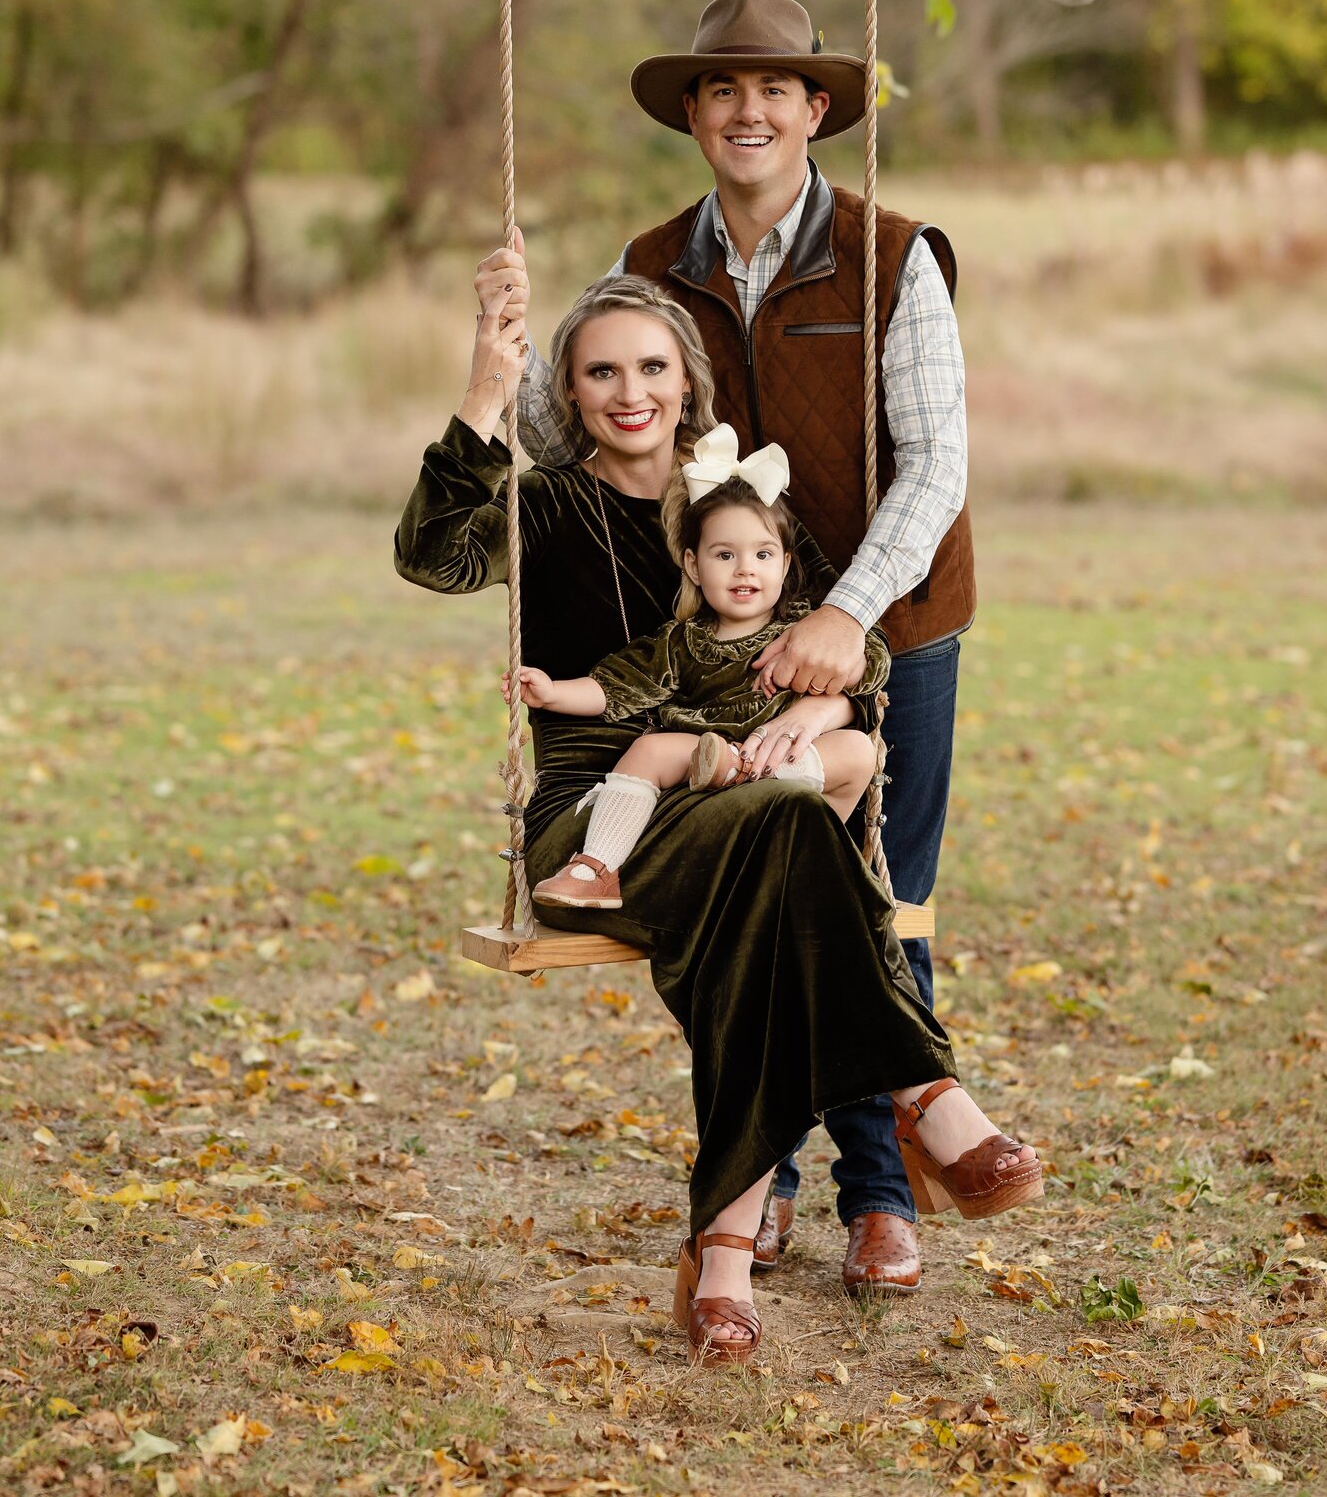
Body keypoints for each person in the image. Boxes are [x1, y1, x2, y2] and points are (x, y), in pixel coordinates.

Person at [395, 272, 1038, 1365]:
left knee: (764, 885)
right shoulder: (548, 500)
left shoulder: (740, 507)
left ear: (686, 379)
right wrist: (485, 390)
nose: (629, 391)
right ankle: (923, 1091)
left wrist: (812, 716)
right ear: (572, 387)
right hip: (601, 814)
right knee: (785, 835)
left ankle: (725, 1254)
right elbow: (435, 556)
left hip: (743, 796)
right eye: (600, 371)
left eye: (652, 366)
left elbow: (842, 661)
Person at [475, 0, 975, 1296]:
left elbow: (936, 466)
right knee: (763, 903)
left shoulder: (893, 254)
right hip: (717, 644)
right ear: (693, 113)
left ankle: (880, 1195)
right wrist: (515, 345)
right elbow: (568, 426)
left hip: (890, 624)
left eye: (775, 89)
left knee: (874, 894)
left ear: (817, 108)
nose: (748, 110)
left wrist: (843, 614)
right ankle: (768, 1192)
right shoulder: (654, 256)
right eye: (721, 89)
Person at [514, 425, 890, 911]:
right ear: (693, 565)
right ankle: (596, 868)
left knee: (859, 750)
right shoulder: (681, 640)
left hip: (782, 763)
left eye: (762, 554)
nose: (745, 569)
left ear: (785, 563)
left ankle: (813, 859)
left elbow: (871, 661)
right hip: (705, 754)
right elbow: (615, 688)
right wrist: (552, 692)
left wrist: (840, 664)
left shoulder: (804, 631)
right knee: (650, 750)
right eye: (725, 555)